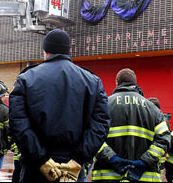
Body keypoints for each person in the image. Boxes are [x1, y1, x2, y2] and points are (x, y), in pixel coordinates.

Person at [9, 29, 110, 182]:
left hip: (35, 167)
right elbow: (101, 124)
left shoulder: (26, 79)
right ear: (68, 50)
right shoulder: (92, 81)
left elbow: (18, 124)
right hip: (73, 167)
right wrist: (78, 160)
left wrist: (41, 159)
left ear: (45, 51)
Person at [92, 68, 171, 182]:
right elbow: (164, 139)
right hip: (145, 177)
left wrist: (112, 158)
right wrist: (144, 162)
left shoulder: (104, 105)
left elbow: (93, 136)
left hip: (107, 176)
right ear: (135, 83)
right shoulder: (153, 109)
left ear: (117, 84)